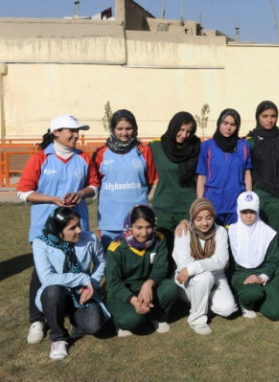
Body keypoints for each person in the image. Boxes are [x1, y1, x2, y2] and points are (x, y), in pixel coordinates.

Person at [17, 114, 101, 345]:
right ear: (56, 133)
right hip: (44, 231)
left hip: (76, 229)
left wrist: (81, 194)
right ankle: (37, 319)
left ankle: (75, 311)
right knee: (41, 274)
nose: (76, 135)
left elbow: (94, 186)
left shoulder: (83, 158)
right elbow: (23, 192)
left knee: (76, 266)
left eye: (78, 131)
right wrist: (51, 200)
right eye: (71, 131)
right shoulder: (39, 159)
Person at [32, 207, 107, 360]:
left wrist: (92, 283)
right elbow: (47, 278)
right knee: (53, 291)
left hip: (82, 293)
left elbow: (102, 262)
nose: (79, 230)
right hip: (55, 293)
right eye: (72, 228)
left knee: (93, 327)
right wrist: (82, 278)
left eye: (79, 225)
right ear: (58, 230)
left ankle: (75, 319)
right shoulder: (40, 244)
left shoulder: (90, 238)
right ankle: (58, 338)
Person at [105, 204, 178, 337]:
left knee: (171, 288)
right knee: (131, 320)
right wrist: (133, 300)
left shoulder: (159, 239)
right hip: (122, 292)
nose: (144, 233)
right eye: (139, 227)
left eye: (149, 227)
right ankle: (123, 319)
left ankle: (156, 317)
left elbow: (161, 268)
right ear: (130, 225)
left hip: (147, 288)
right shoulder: (116, 248)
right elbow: (113, 284)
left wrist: (148, 284)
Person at [173, 198, 237, 335]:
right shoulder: (184, 231)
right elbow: (184, 263)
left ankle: (202, 298)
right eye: (199, 219)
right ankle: (197, 320)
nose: (205, 223)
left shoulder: (220, 231)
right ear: (192, 219)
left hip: (216, 275)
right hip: (188, 278)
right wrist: (196, 268)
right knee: (205, 277)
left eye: (209, 218)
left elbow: (221, 261)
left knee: (228, 309)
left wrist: (195, 266)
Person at [94, 109, 157, 247]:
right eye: (120, 129)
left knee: (137, 261)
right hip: (109, 220)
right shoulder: (101, 153)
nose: (124, 133)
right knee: (110, 262)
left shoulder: (144, 151)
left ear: (134, 128)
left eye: (128, 128)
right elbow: (96, 182)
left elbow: (149, 181)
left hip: (138, 221)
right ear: (113, 129)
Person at [149, 111, 200, 251]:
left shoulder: (197, 147)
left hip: (188, 208)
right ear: (173, 126)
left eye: (189, 131)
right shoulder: (155, 146)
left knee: (187, 252)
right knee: (163, 250)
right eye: (181, 129)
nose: (184, 135)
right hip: (163, 208)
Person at [245, 101, 279, 246]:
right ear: (258, 117)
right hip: (259, 197)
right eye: (265, 116)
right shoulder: (250, 141)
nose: (270, 120)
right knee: (258, 238)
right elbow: (246, 171)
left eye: (273, 116)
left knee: (277, 239)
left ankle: (276, 268)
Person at [196, 108, 252, 226]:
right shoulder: (207, 146)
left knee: (236, 243)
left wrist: (249, 200)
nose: (228, 128)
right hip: (213, 203)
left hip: (237, 204)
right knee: (215, 242)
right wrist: (200, 203)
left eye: (233, 124)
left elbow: (247, 174)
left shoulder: (243, 145)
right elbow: (201, 177)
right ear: (219, 123)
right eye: (225, 123)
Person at [229, 191, 279, 319]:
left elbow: (273, 260)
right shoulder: (230, 231)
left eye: (252, 212)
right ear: (238, 211)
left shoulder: (268, 233)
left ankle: (254, 299)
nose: (248, 216)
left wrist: (261, 277)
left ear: (257, 211)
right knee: (253, 292)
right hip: (239, 274)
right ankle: (244, 301)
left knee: (277, 313)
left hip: (261, 274)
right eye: (244, 212)